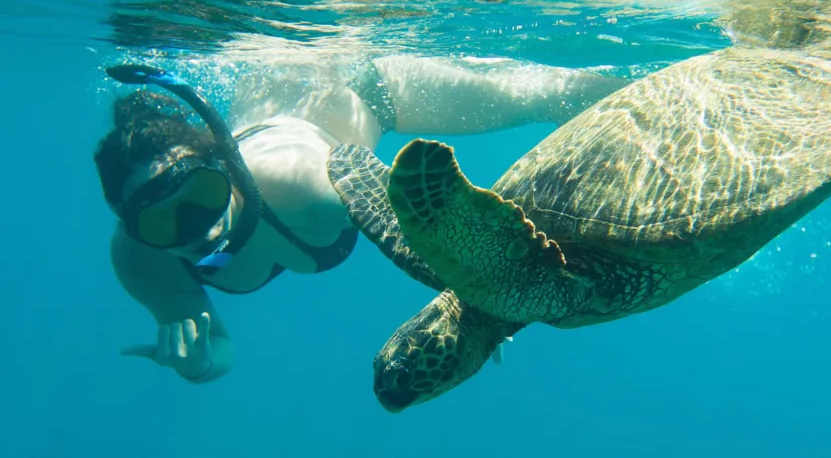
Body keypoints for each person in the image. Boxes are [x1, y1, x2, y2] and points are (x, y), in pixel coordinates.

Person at [94, 55, 640, 384]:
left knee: (545, 96)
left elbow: (433, 228)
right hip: (283, 104)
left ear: (224, 171)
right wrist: (197, 366)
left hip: (367, 94)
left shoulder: (299, 185)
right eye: (161, 224)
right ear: (132, 228)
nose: (196, 229)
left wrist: (487, 306)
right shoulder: (141, 262)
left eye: (202, 195)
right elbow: (218, 352)